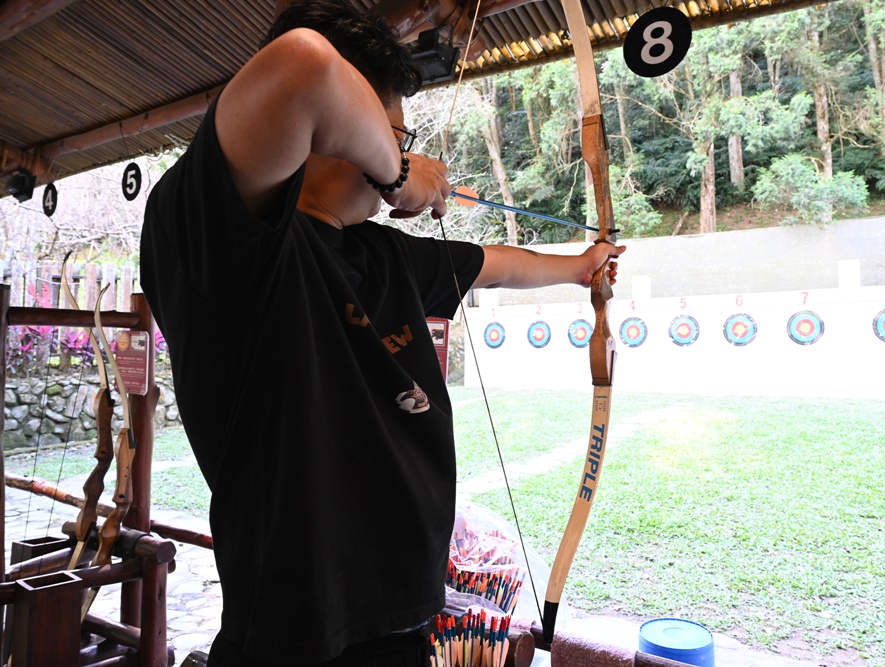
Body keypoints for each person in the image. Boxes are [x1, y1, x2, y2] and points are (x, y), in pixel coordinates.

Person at [140, 1, 625, 665]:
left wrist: (582, 268)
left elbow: (498, 265)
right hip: (299, 641)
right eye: (390, 130)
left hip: (404, 623)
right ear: (333, 131)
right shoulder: (229, 245)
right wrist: (397, 173)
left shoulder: (381, 254)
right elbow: (303, 66)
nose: (402, 147)